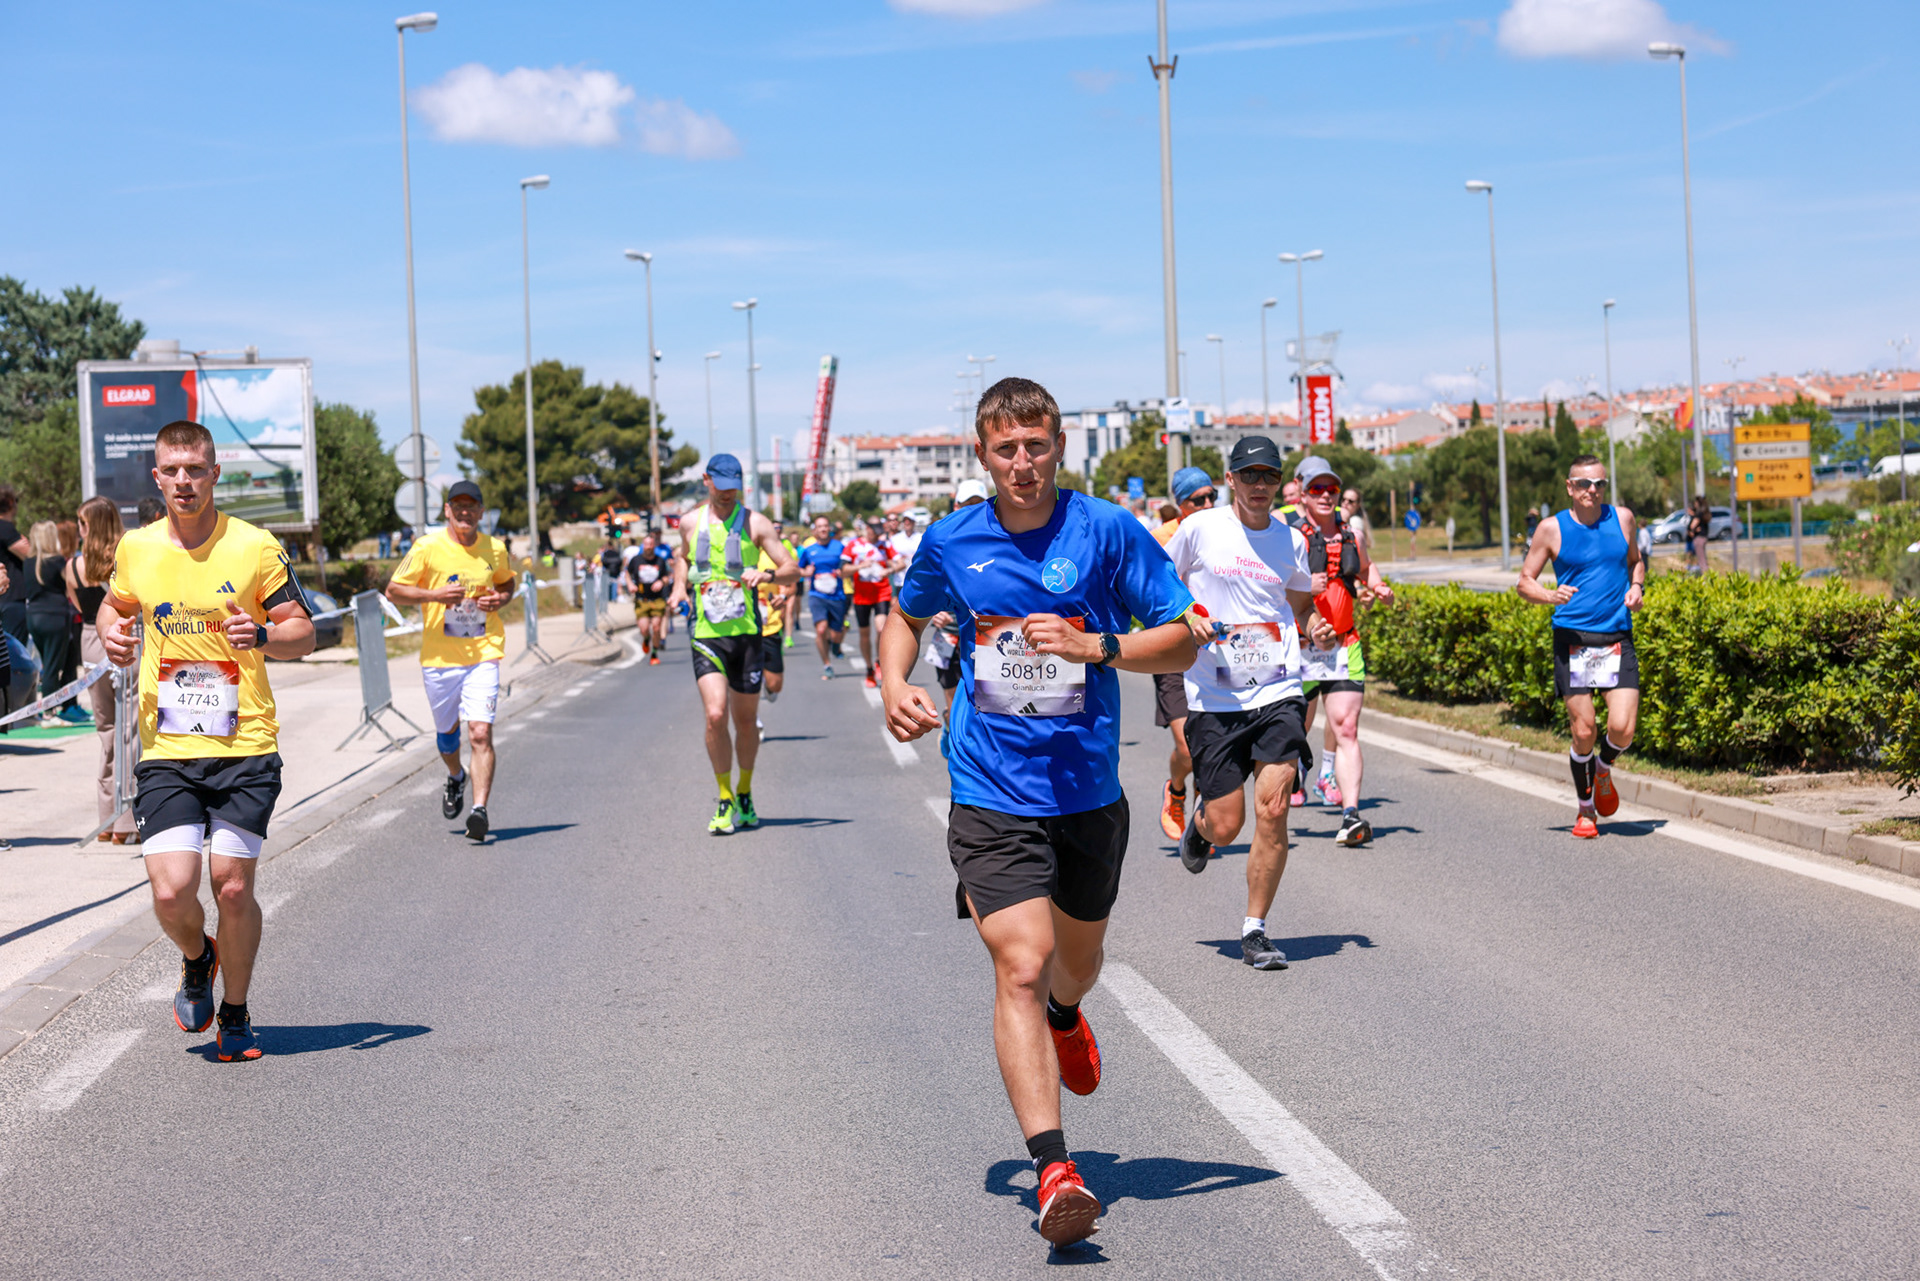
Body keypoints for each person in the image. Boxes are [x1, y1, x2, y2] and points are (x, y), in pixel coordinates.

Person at [879, 377, 1197, 1248]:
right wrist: (893, 680)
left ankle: (1066, 1015)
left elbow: (1182, 636)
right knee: (1021, 961)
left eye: (1037, 445)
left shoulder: (1107, 530)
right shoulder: (953, 539)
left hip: (1086, 794)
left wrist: (1097, 644)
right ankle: (1056, 1169)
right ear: (983, 455)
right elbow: (904, 617)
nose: (1023, 463)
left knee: (1075, 964)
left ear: (1059, 446)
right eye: (1006, 448)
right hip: (990, 788)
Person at [97, 419, 316, 1062]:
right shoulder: (137, 548)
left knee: (233, 886)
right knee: (171, 890)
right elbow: (114, 606)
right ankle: (198, 958)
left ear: (215, 474)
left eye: (196, 469)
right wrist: (111, 630)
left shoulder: (255, 546)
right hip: (168, 749)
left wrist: (266, 636)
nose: (184, 481)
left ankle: (237, 1012)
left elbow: (304, 631)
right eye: (172, 470)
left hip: (245, 745)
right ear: (157, 477)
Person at [1168, 436, 1336, 971]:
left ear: (1279, 483)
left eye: (1268, 475)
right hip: (1214, 694)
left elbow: (1299, 601)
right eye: (1249, 475)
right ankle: (1200, 829)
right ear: (1230, 479)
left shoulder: (1291, 540)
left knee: (1275, 806)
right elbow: (1161, 584)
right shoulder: (1200, 529)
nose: (1259, 485)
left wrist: (1314, 625)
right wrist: (1185, 615)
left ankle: (1255, 929)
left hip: (1277, 688)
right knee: (1226, 825)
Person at [667, 453, 798, 835]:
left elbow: (792, 570)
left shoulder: (756, 523)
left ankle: (744, 791)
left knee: (744, 722)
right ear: (706, 481)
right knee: (714, 714)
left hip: (746, 635)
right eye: (721, 487)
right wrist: (679, 587)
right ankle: (724, 797)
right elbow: (681, 557)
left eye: (733, 489)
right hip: (706, 634)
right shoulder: (690, 522)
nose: (727, 495)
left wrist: (767, 575)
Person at [1516, 454, 1644, 840]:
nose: (1593, 490)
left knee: (1622, 729)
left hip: (1616, 637)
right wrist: (1549, 595)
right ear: (1570, 487)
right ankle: (1585, 808)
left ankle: (1603, 768)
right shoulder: (1551, 529)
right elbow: (1524, 582)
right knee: (1584, 730)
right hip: (1573, 640)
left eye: (1600, 484)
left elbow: (1636, 561)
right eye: (1585, 484)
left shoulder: (1623, 519)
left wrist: (1637, 586)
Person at [385, 479, 518, 843]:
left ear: (480, 511)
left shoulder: (495, 548)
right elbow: (394, 590)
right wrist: (434, 595)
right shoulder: (427, 547)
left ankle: (479, 810)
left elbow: (507, 584)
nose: (464, 512)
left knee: (480, 733)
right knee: (447, 736)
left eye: (471, 506)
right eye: (457, 506)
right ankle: (456, 776)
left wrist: (500, 599)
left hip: (483, 652)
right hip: (440, 658)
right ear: (447, 510)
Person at [1292, 457, 1391, 845]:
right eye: (1317, 489)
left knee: (1346, 727)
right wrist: (1304, 585)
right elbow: (1268, 588)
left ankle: (1350, 815)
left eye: (1331, 489)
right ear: (1302, 494)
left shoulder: (1353, 536)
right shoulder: (1288, 538)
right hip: (1298, 648)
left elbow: (1366, 568)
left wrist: (1377, 588)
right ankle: (1287, 785)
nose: (1326, 495)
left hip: (1344, 644)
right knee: (1291, 730)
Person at [1151, 465, 1218, 841]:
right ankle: (1176, 789)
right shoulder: (1163, 537)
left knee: (1208, 745)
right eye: (1197, 500)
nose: (1207, 504)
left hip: (1215, 654)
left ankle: (1200, 823)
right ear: (1180, 504)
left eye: (1212, 497)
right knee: (1188, 748)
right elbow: (1151, 589)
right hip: (1174, 651)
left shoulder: (1226, 531)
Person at [68, 497, 137, 842]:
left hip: (90, 642)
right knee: (132, 729)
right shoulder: (127, 557)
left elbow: (77, 603)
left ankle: (108, 821)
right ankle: (129, 820)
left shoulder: (73, 566)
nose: (79, 529)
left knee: (106, 729)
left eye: (82, 523)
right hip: (125, 638)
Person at [24, 521, 77, 720]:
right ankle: (49, 712)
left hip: (34, 617)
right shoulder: (57, 561)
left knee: (47, 665)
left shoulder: (28, 563)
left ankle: (48, 709)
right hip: (55, 617)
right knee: (53, 667)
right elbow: (70, 588)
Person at [795, 515, 849, 681]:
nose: (823, 529)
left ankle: (836, 645)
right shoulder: (809, 550)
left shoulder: (839, 547)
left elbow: (848, 565)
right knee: (820, 629)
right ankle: (827, 665)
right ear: (815, 531)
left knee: (837, 633)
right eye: (820, 526)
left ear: (829, 529)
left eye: (825, 526)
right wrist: (806, 572)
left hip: (837, 595)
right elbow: (799, 570)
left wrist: (842, 571)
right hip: (817, 595)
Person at [847, 517, 896, 687]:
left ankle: (879, 661)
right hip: (862, 595)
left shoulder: (885, 545)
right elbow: (843, 570)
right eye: (874, 531)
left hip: (881, 592)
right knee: (864, 634)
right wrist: (860, 567)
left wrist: (889, 570)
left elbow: (900, 563)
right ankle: (869, 669)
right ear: (867, 528)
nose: (876, 535)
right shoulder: (854, 545)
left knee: (881, 628)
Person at [755, 529, 797, 704]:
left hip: (770, 625)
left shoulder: (774, 555)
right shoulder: (736, 553)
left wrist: (783, 596)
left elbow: (792, 584)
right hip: (742, 626)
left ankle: (766, 681)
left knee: (775, 685)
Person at [626, 530, 672, 663]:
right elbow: (627, 573)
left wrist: (661, 582)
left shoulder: (660, 561)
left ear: (654, 546)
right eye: (646, 544)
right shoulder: (636, 560)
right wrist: (630, 584)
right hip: (642, 599)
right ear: (643, 545)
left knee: (656, 627)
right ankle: (646, 639)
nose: (648, 547)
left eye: (651, 544)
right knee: (644, 628)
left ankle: (654, 654)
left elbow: (667, 577)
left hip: (657, 599)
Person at [0, 484, 29, 643]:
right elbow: (31, 555)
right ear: (11, 502)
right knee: (14, 648)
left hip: (5, 597)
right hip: (11, 598)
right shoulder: (5, 528)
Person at [1687, 495, 1711, 575]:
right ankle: (1706, 575)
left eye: (1695, 503)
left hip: (1699, 538)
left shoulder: (1699, 514)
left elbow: (1692, 525)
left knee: (1701, 560)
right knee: (1703, 558)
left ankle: (1705, 577)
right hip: (1704, 537)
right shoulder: (1705, 513)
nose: (1695, 505)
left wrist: (1692, 530)